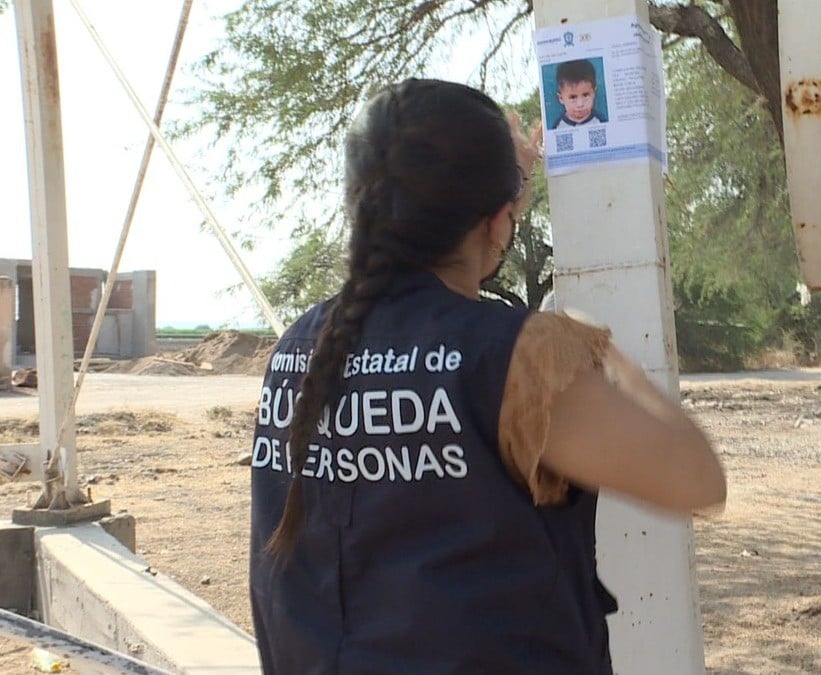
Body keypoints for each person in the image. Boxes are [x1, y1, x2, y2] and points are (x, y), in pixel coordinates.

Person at [249, 79, 725, 675]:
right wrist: (588, 342)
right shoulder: (517, 356)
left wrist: (503, 193)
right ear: (498, 225)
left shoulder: (300, 347)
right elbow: (697, 479)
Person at [552, 60, 608, 128]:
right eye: (573, 97)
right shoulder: (558, 126)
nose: (580, 104)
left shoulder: (601, 122)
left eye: (585, 95)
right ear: (561, 98)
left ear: (594, 93)